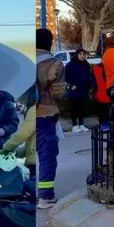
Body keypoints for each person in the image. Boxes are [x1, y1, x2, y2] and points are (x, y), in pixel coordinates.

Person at [36, 28, 66, 208]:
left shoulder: (26, 62)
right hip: (46, 114)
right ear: (50, 42)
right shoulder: (55, 64)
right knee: (47, 154)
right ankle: (45, 196)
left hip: (28, 114)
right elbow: (59, 93)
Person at [64, 48, 93, 132]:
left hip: (83, 89)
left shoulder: (86, 64)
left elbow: (88, 77)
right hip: (74, 90)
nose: (82, 56)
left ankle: (81, 124)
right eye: (80, 54)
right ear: (77, 55)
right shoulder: (70, 65)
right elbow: (66, 77)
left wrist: (89, 87)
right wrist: (71, 85)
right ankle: (74, 125)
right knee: (74, 108)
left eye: (84, 54)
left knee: (82, 108)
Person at [91, 60, 112, 127]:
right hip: (101, 91)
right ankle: (103, 123)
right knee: (102, 108)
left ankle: (105, 122)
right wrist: (95, 89)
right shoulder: (97, 68)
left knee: (105, 108)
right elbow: (93, 79)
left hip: (105, 91)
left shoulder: (106, 67)